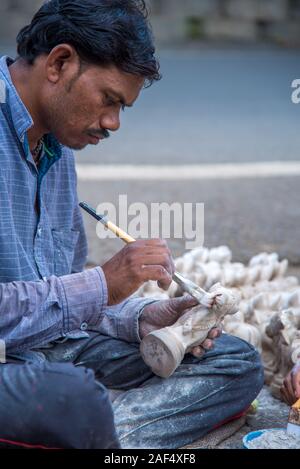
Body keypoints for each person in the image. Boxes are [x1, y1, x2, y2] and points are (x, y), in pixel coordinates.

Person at [0, 0, 264, 449]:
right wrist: (104, 283)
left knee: (236, 361)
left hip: (51, 351)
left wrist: (141, 318)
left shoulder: (56, 145)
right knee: (76, 397)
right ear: (60, 63)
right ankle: (95, 428)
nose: (113, 123)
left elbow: (58, 297)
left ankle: (100, 437)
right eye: (109, 100)